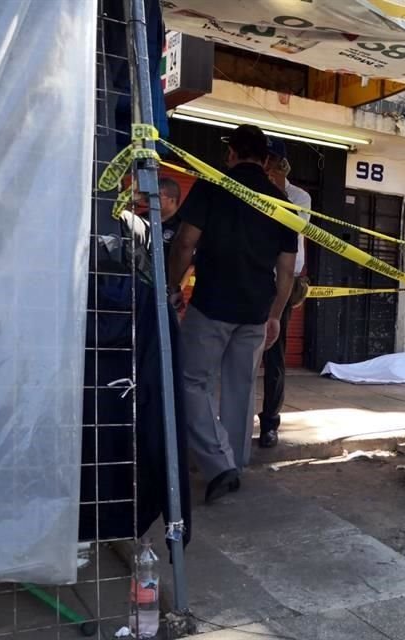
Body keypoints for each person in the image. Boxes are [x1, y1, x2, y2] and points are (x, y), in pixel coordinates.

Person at [167, 125, 297, 502]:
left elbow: (185, 244)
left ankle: (219, 463)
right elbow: (286, 272)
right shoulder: (281, 202)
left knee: (192, 382)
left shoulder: (211, 187)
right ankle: (235, 461)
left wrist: (173, 287)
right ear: (266, 159)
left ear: (231, 153)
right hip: (256, 311)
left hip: (212, 305)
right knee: (242, 385)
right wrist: (274, 315)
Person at [257, 140, 312, 448]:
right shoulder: (250, 192)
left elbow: (290, 228)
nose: (266, 168)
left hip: (283, 283)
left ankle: (269, 424)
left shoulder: (299, 197)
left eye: (271, 162)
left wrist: (276, 192)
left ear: (281, 166)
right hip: (254, 278)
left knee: (275, 355)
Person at [118, 177, 182, 282]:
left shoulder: (181, 226)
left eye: (158, 194)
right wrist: (133, 199)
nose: (151, 198)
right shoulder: (143, 218)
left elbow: (189, 266)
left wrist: (174, 289)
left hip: (164, 283)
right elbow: (124, 222)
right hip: (138, 279)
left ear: (172, 200)